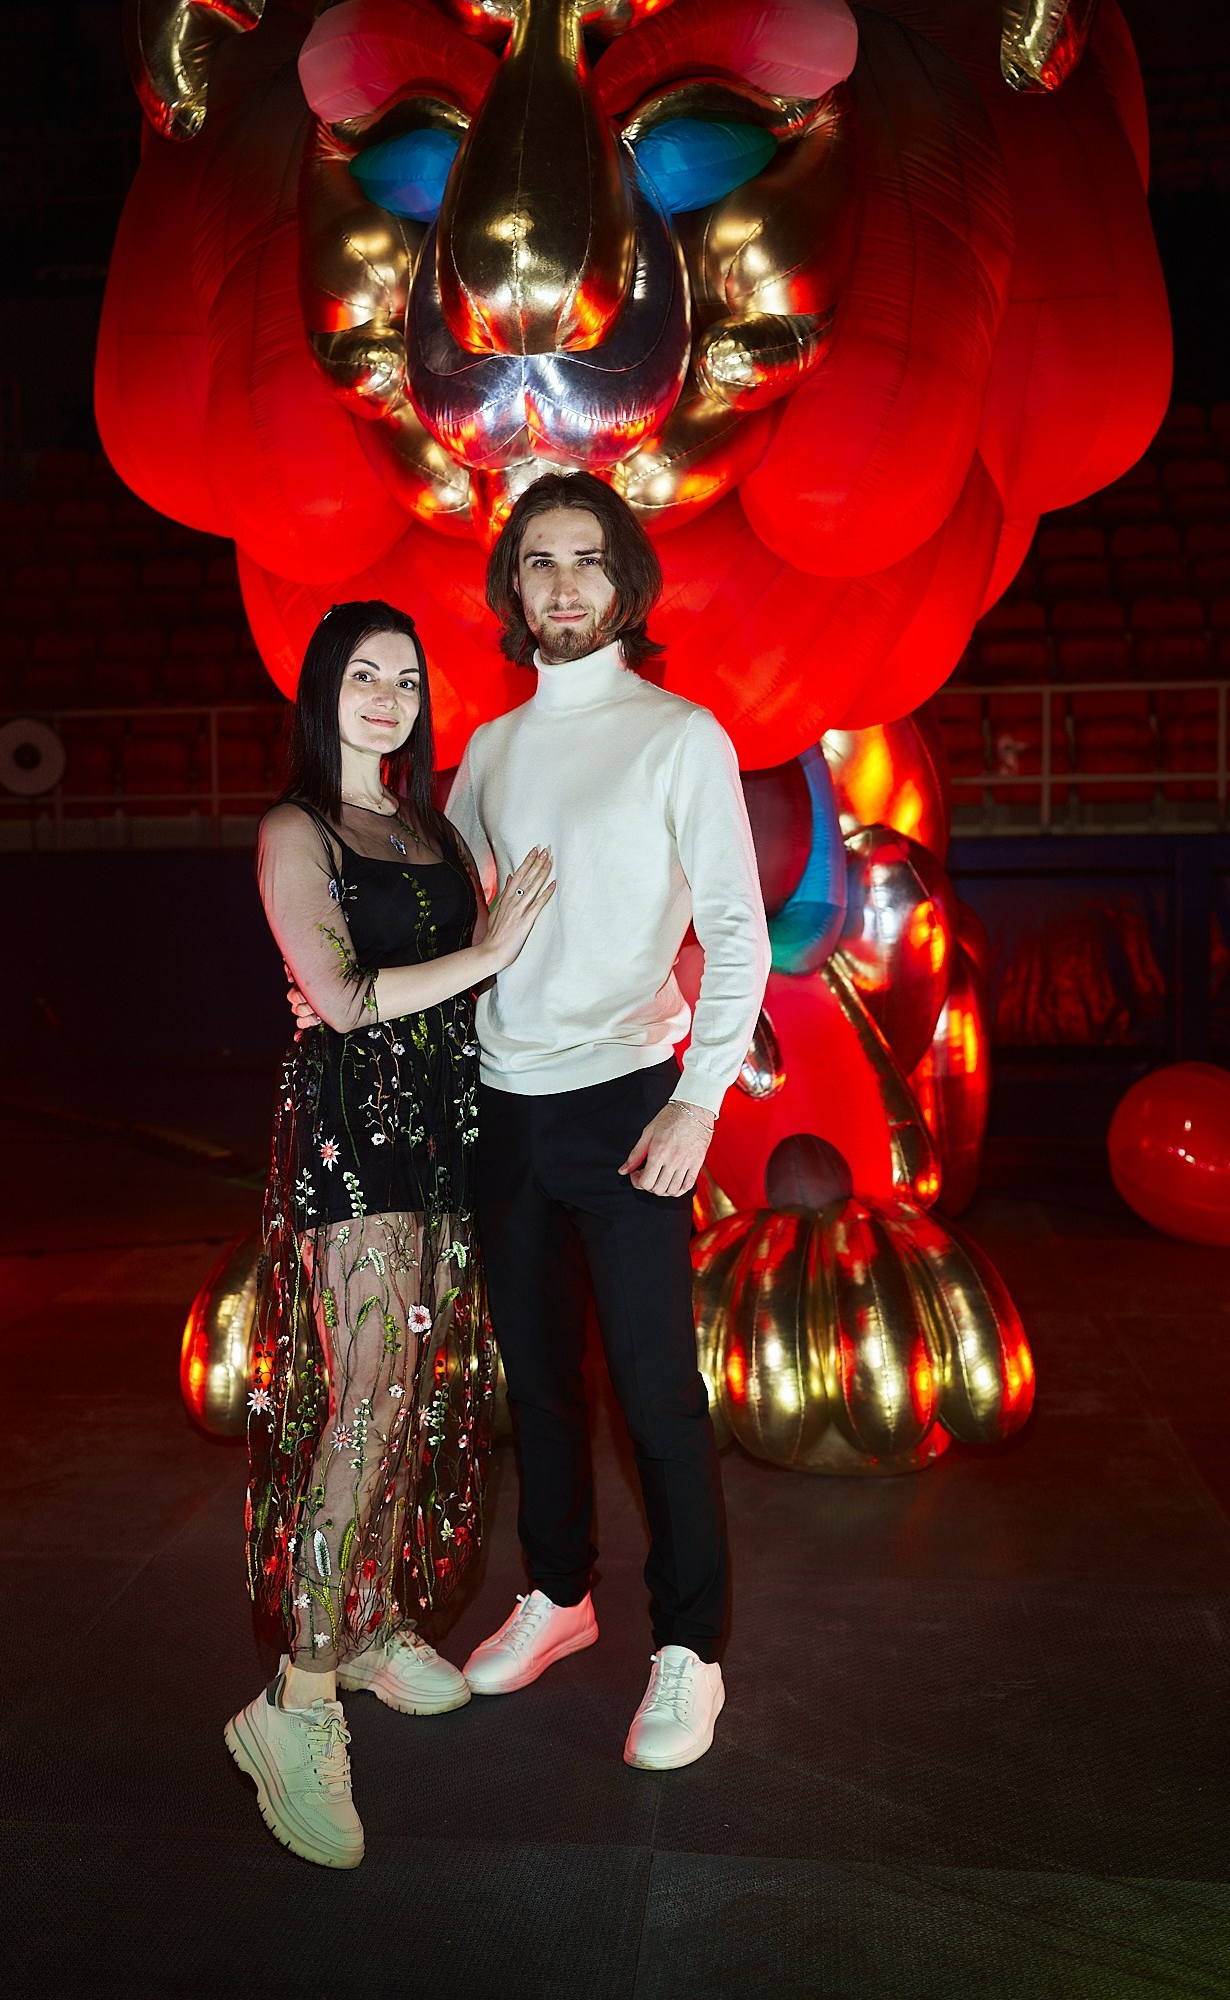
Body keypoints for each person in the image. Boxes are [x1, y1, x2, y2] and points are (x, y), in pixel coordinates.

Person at [447, 472, 769, 1770]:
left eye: (586, 558)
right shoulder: (487, 750)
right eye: (540, 560)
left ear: (625, 582)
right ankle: (560, 1594)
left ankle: (690, 1648)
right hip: (503, 1103)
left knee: (653, 1387)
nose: (564, 582)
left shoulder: (679, 734)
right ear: (513, 588)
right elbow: (449, 923)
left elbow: (737, 930)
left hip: (630, 1094)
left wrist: (697, 1094)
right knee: (536, 1383)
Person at [225, 600, 554, 1869]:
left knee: (410, 1384)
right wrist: (491, 948)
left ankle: (361, 1619)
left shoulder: (428, 827)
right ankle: (296, 1696)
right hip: (351, 1133)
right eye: (364, 675)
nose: (388, 697)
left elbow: (444, 981)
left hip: (439, 1129)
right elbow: (345, 998)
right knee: (363, 1397)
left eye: (407, 679)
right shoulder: (293, 828)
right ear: (323, 692)